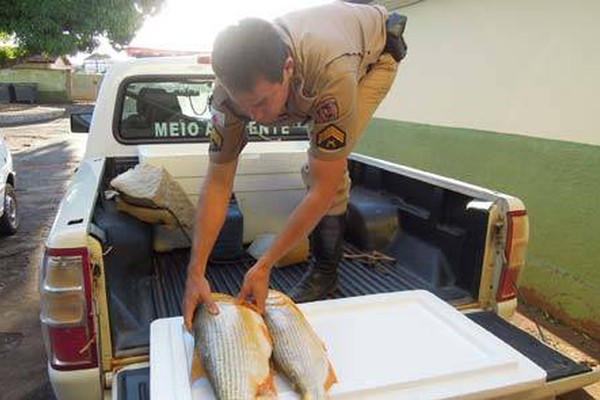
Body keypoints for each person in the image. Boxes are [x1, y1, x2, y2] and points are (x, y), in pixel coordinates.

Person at [183, 1, 407, 329]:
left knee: (326, 171)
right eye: (246, 108)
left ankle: (325, 274)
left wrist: (264, 265)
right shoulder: (227, 99)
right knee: (317, 165)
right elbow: (218, 183)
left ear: (288, 67)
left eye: (261, 103)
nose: (256, 118)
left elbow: (322, 189)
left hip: (375, 57)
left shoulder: (331, 73)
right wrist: (195, 272)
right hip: (328, 50)